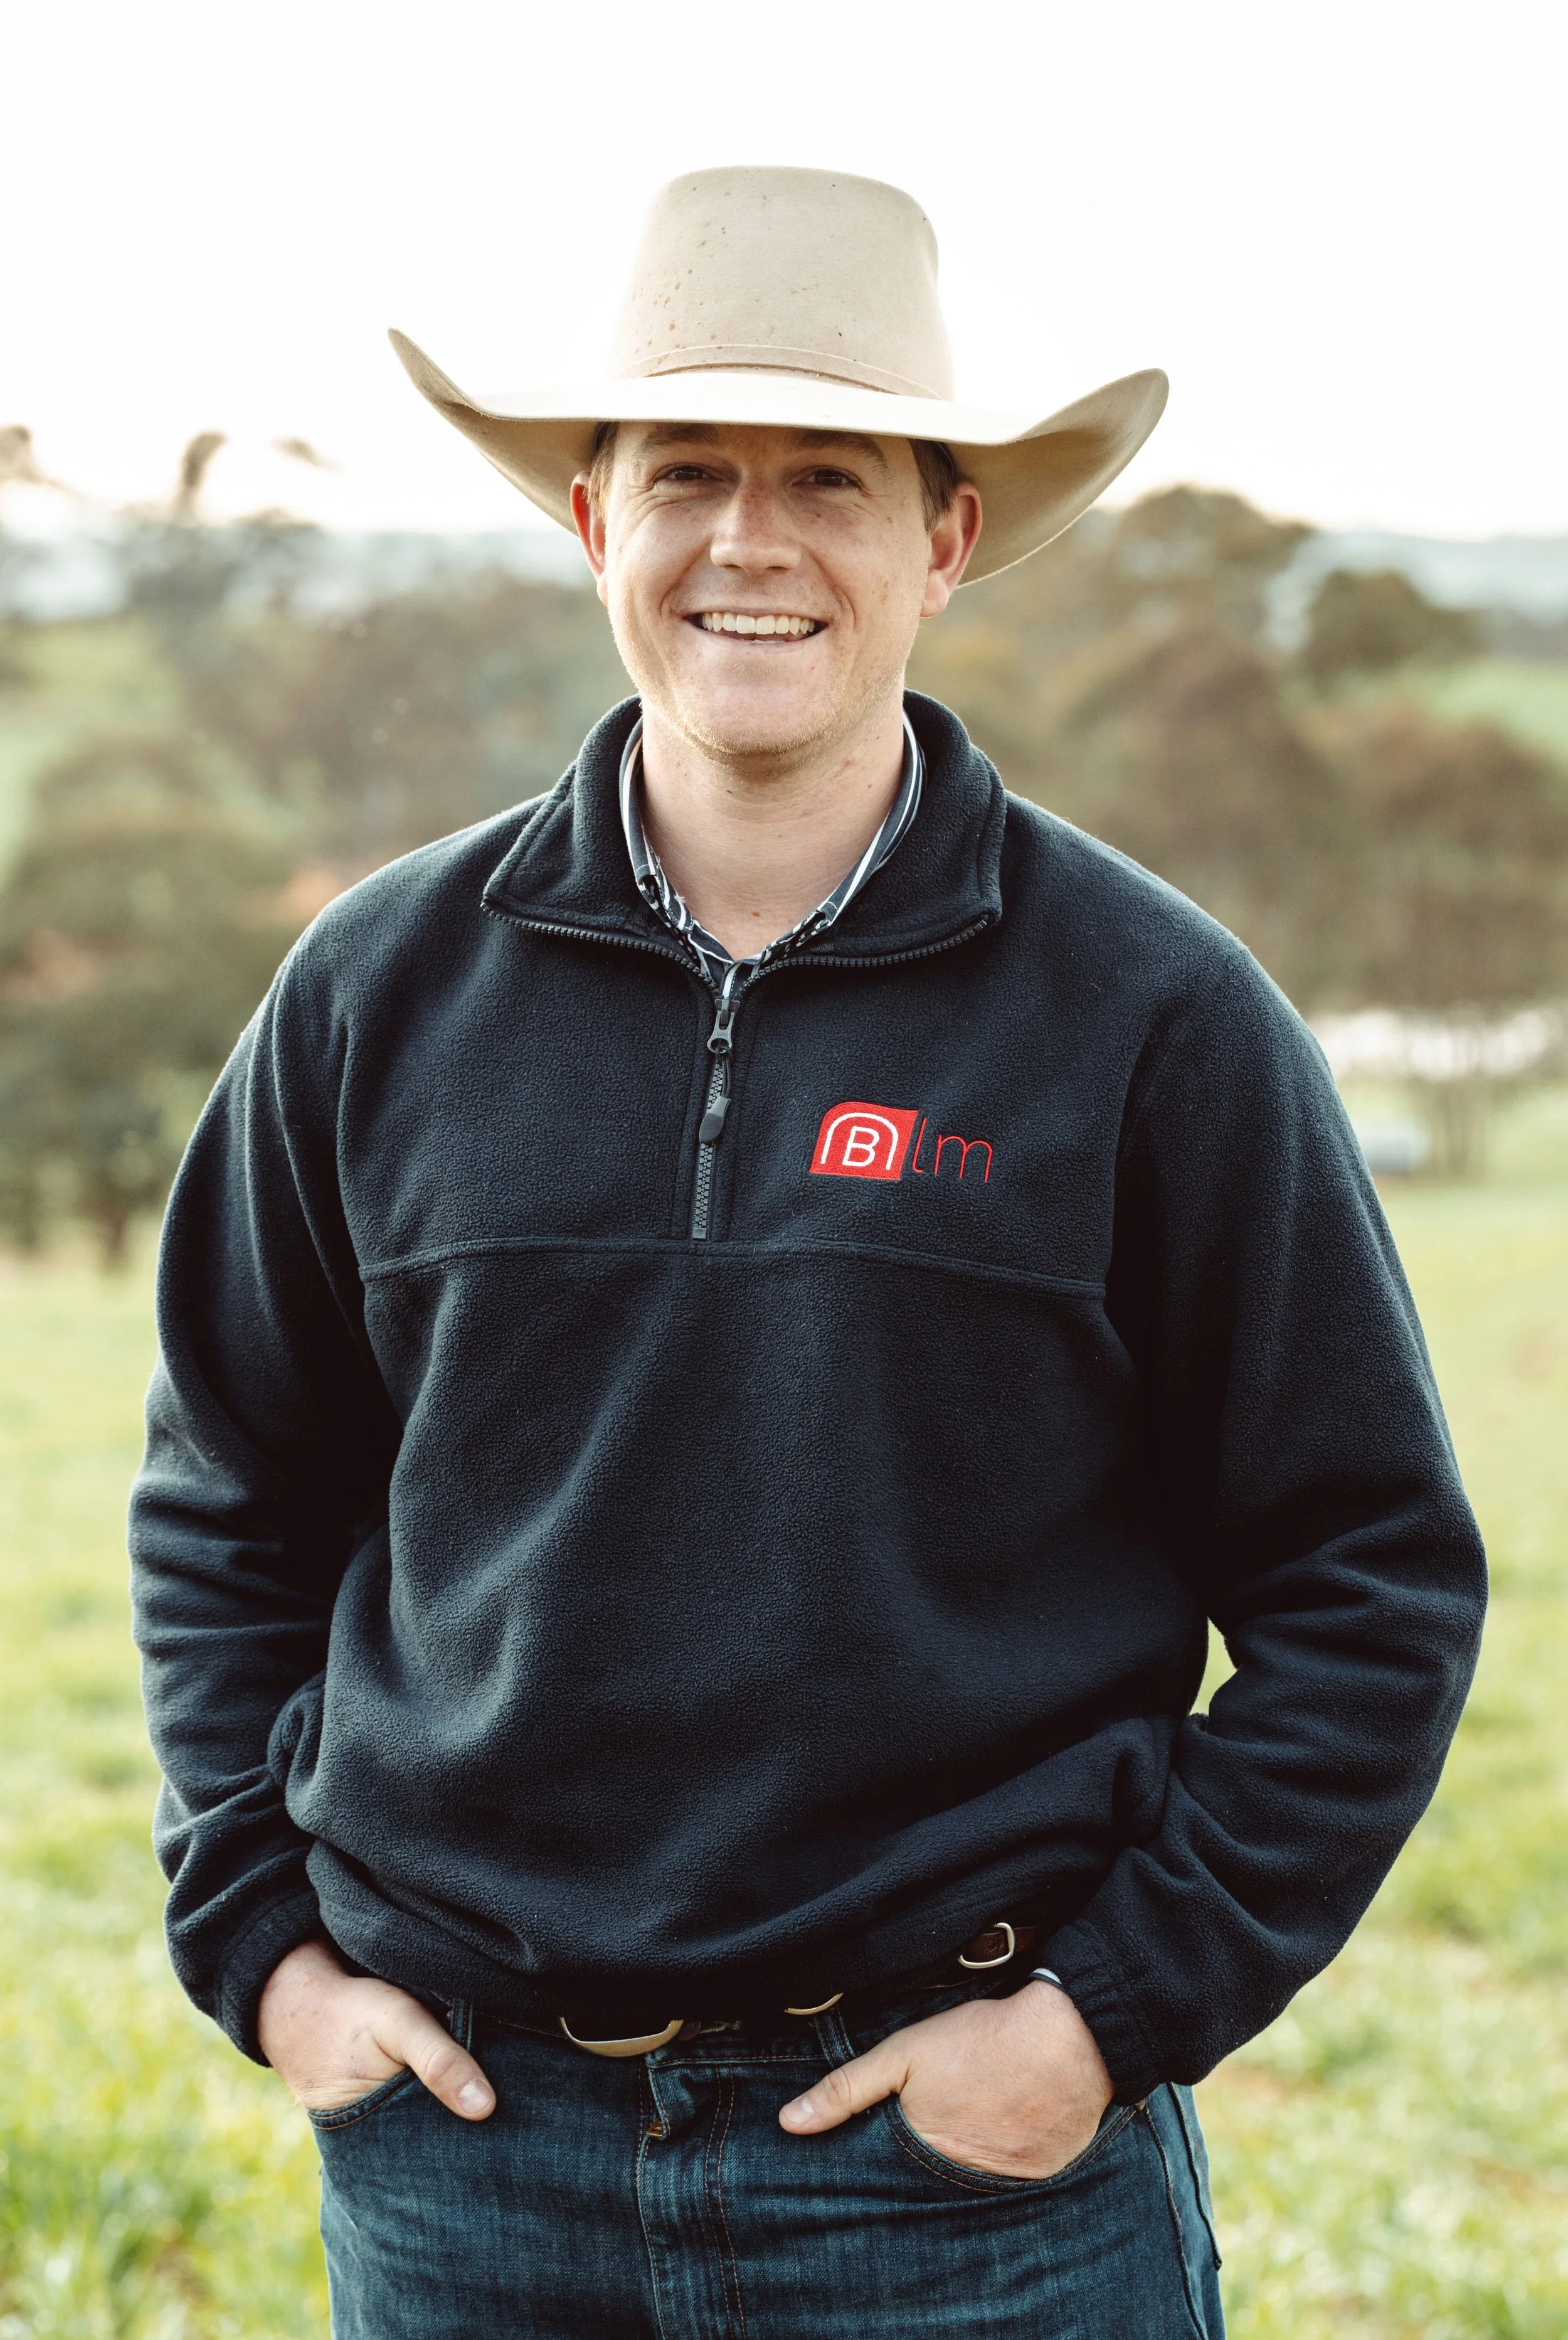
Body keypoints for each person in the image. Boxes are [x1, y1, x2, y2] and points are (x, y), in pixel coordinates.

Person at [130, 168, 1486, 2339]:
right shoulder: (370, 991)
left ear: (941, 541)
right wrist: (273, 1961)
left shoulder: (1150, 1011)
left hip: (968, 2190)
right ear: (593, 518)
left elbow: (1370, 1573)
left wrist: (1095, 2022)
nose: (748, 543)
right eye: (688, 472)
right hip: (470, 2166)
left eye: (828, 478)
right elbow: (225, 1503)